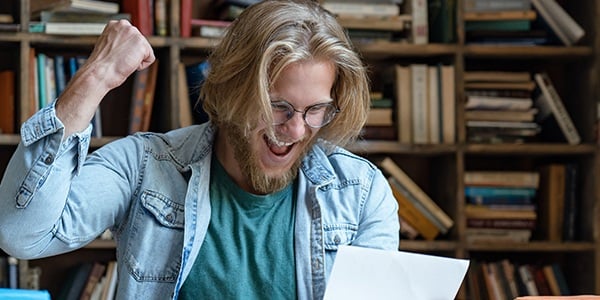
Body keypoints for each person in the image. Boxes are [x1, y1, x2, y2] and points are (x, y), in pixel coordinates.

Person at [0, 0, 399, 299]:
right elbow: (20, 234)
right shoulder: (145, 167)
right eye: (277, 107)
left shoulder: (361, 194)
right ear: (231, 92)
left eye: (316, 110)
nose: (295, 129)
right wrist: (96, 76)